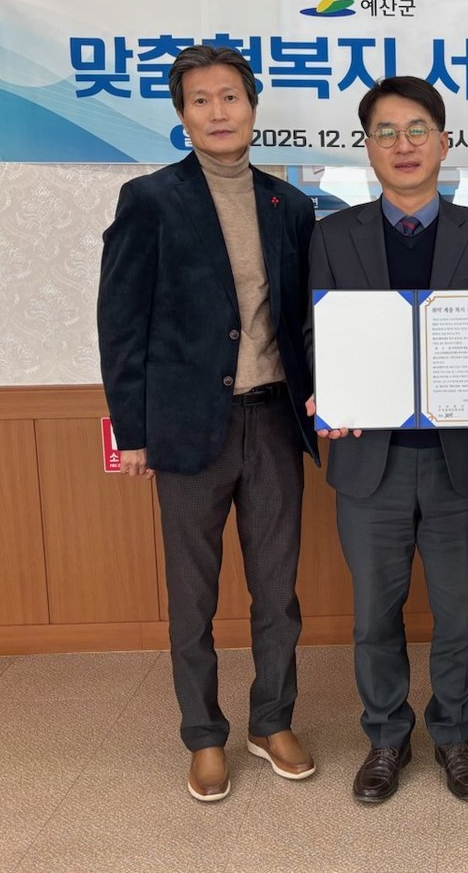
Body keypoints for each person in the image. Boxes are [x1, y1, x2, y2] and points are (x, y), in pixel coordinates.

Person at [98, 45, 319, 801]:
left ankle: (272, 720)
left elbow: (305, 321)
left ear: (253, 107)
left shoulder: (290, 205)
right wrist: (132, 431)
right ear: (182, 115)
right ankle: (203, 734)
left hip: (275, 420)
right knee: (193, 595)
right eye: (200, 100)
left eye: (230, 97)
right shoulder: (150, 200)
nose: (218, 112)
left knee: (276, 590)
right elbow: (121, 321)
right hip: (189, 428)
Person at [305, 76, 468, 803]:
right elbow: (316, 334)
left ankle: (455, 735)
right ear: (367, 148)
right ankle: (386, 737)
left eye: (418, 129)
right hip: (370, 460)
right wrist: (325, 391)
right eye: (387, 132)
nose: (404, 145)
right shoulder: (332, 236)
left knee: (459, 614)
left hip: (459, 459)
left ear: (445, 142)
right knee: (375, 615)